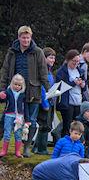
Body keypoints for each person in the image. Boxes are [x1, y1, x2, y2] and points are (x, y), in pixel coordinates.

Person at [0, 26, 49, 158]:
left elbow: (43, 71)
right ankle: (6, 147)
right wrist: (3, 89)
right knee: (8, 117)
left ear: (31, 37)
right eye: (23, 37)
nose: (25, 40)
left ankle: (26, 147)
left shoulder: (37, 52)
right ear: (19, 37)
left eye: (28, 37)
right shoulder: (12, 52)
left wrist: (49, 89)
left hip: (33, 91)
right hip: (14, 91)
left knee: (31, 120)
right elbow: (5, 71)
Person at [55, 49, 89, 136]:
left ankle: (75, 145)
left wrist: (82, 85)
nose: (76, 63)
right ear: (68, 60)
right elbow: (59, 87)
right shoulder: (62, 71)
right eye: (74, 61)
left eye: (78, 61)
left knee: (78, 125)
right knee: (67, 126)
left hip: (78, 101)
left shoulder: (80, 71)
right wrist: (73, 83)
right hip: (67, 102)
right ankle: (64, 145)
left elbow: (85, 87)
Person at [33, 47, 57, 155]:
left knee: (47, 125)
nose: (52, 60)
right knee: (44, 125)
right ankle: (41, 149)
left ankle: (35, 147)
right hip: (44, 102)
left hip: (51, 101)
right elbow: (42, 89)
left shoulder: (50, 71)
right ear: (44, 58)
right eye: (50, 58)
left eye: (54, 58)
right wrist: (45, 104)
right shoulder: (41, 71)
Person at [1, 74, 30, 158]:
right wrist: (2, 97)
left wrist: (27, 120)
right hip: (9, 115)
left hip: (19, 117)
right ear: (12, 84)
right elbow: (3, 99)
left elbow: (26, 108)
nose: (17, 86)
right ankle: (4, 150)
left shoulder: (23, 95)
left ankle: (17, 151)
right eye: (15, 84)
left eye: (19, 85)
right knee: (7, 133)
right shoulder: (8, 92)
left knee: (18, 134)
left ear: (22, 86)